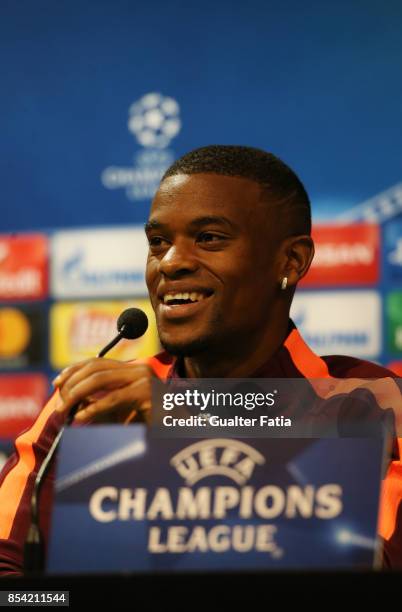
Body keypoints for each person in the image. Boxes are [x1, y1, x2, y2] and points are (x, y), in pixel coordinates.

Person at [0, 145, 401, 575]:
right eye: (158, 242)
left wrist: (186, 425)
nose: (170, 263)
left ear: (292, 260)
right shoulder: (94, 406)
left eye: (209, 238)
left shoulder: (370, 405)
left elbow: (371, 573)